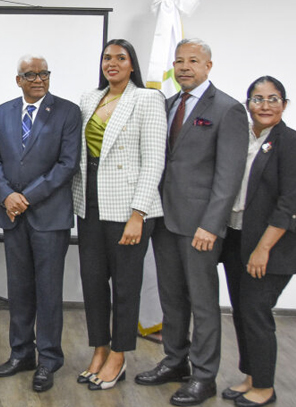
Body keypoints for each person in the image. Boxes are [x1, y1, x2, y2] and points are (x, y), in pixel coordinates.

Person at [135, 38, 248, 406]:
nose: (185, 67)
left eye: (193, 61)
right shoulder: (166, 105)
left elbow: (228, 176)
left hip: (200, 226)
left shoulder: (228, 109)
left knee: (202, 303)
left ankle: (204, 376)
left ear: (208, 66)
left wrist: (211, 225)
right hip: (164, 220)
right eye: (179, 61)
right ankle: (174, 361)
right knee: (172, 299)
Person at [71, 39, 167, 390]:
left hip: (129, 208)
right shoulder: (89, 99)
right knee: (93, 284)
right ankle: (99, 349)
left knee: (125, 287)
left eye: (120, 58)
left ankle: (119, 355)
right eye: (107, 57)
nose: (112, 63)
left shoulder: (148, 99)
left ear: (132, 64)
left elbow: (154, 159)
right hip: (89, 205)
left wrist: (138, 213)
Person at [0, 54, 81, 392]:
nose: (38, 79)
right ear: (18, 80)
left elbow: (66, 164)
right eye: (30, 74)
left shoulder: (68, 112)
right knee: (20, 289)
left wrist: (26, 197)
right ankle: (21, 354)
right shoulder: (3, 112)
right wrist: (7, 195)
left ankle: (49, 360)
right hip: (13, 216)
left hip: (49, 217)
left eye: (43, 73)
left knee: (49, 292)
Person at [219, 76, 295, 407]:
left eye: (273, 98)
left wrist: (262, 249)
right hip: (237, 237)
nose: (265, 105)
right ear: (248, 104)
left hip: (272, 246)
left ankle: (264, 387)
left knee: (256, 311)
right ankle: (250, 377)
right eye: (258, 99)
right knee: (242, 311)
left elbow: (289, 203)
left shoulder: (289, 142)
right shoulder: (247, 139)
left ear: (285, 104)